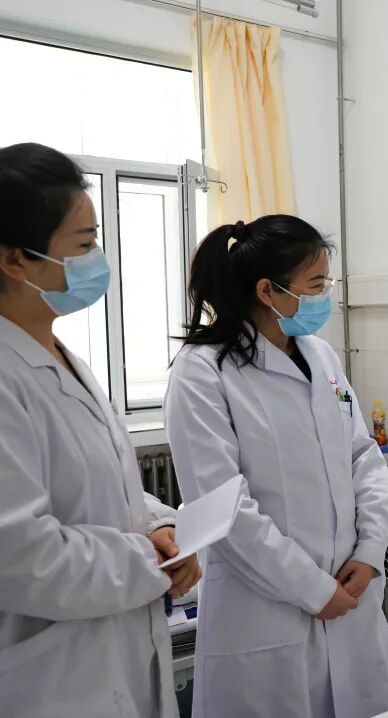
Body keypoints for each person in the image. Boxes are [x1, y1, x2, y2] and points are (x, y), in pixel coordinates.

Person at [163, 215, 388, 717]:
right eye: (316, 284)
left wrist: (369, 552)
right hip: (265, 616)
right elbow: (225, 510)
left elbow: (362, 456)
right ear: (268, 291)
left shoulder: (321, 357)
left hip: (351, 599)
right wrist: (313, 590)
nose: (327, 296)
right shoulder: (201, 372)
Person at [0, 142, 201, 716]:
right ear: (15, 260)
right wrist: (151, 563)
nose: (98, 260)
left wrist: (161, 527)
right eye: (84, 244)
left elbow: (107, 490)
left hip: (114, 655)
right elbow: (21, 557)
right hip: (52, 682)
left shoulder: (60, 356)